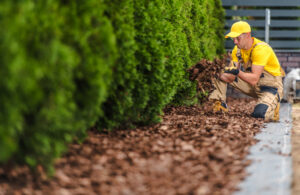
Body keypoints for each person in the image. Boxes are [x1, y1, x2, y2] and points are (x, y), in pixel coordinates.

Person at [209, 21, 285, 121]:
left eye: (237, 38)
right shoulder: (237, 50)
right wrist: (217, 74)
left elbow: (253, 79)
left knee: (259, 114)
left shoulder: (261, 49)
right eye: (233, 38)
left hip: (269, 87)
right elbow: (231, 77)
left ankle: (273, 107)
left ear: (247, 35)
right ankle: (219, 106)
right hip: (252, 85)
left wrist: (237, 72)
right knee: (218, 72)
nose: (235, 42)